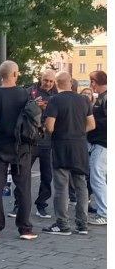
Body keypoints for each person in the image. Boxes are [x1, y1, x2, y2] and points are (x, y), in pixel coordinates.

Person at [0, 60, 37, 240]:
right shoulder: (25, 95)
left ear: (0, 75)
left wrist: (0, 121)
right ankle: (25, 228)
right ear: (15, 74)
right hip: (21, 146)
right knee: (23, 186)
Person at [44, 70, 94, 236]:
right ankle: (82, 224)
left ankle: (62, 224)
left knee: (61, 187)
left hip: (61, 146)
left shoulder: (55, 100)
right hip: (80, 146)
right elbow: (92, 125)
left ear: (56, 84)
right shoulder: (84, 100)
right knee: (81, 185)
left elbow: (50, 127)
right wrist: (78, 132)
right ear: (71, 81)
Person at [28, 69, 59, 219]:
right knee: (23, 173)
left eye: (51, 81)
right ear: (40, 79)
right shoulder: (30, 91)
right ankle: (18, 204)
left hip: (48, 140)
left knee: (47, 175)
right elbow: (22, 110)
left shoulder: (56, 95)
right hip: (31, 139)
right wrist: (34, 106)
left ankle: (42, 205)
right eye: (45, 80)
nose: (48, 83)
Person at [91, 70, 107, 227]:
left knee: (97, 177)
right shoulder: (103, 98)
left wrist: (92, 122)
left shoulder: (106, 98)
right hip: (102, 142)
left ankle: (104, 213)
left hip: (103, 143)